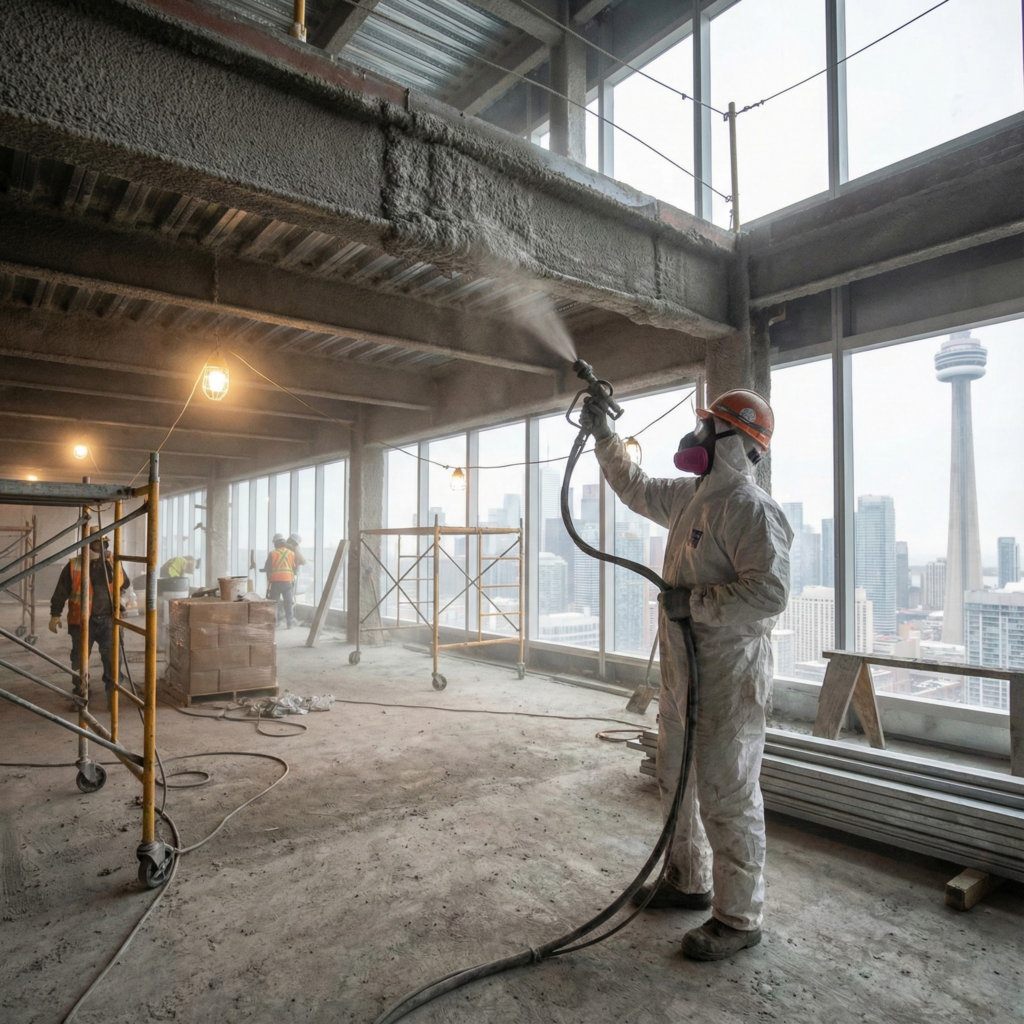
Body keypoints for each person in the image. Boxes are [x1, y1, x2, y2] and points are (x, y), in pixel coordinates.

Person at [580, 388, 792, 962]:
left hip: (728, 672)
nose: (695, 437)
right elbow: (637, 488)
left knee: (727, 791)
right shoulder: (693, 497)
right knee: (676, 778)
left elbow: (769, 592)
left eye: (708, 428)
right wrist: (604, 436)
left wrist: (692, 604)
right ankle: (687, 879)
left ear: (736, 443)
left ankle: (739, 917)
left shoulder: (751, 509)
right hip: (683, 669)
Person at [49, 528, 130, 703]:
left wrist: (120, 593)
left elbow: (125, 583)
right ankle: (81, 693)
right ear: (87, 545)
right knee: (79, 659)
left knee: (112, 659)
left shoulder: (113, 562)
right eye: (95, 544)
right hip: (82, 621)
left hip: (109, 620)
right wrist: (55, 614)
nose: (100, 548)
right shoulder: (74, 565)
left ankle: (112, 695)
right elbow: (60, 592)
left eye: (103, 544)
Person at [262, 533, 296, 628]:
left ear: (276, 543)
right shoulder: (291, 553)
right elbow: (293, 568)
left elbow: (267, 568)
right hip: (288, 582)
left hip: (276, 582)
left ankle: (274, 623)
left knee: (274, 603)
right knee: (288, 603)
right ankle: (290, 623)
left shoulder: (273, 553)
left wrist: (268, 581)